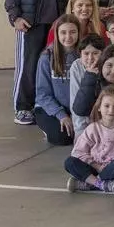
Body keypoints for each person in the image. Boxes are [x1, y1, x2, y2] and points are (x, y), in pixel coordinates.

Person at [63, 89, 114, 192]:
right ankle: (102, 184)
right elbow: (78, 152)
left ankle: (90, 184)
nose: (111, 110)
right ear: (99, 107)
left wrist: (111, 163)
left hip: (113, 169)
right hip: (94, 167)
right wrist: (96, 166)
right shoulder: (92, 128)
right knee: (70, 162)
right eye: (106, 106)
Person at [34, 14, 81, 145]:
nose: (68, 37)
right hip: (51, 108)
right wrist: (61, 115)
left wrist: (77, 114)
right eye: (63, 32)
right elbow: (42, 94)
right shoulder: (46, 57)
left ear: (78, 33)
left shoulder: (84, 55)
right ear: (57, 34)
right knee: (62, 138)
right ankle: (47, 127)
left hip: (75, 109)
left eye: (72, 32)